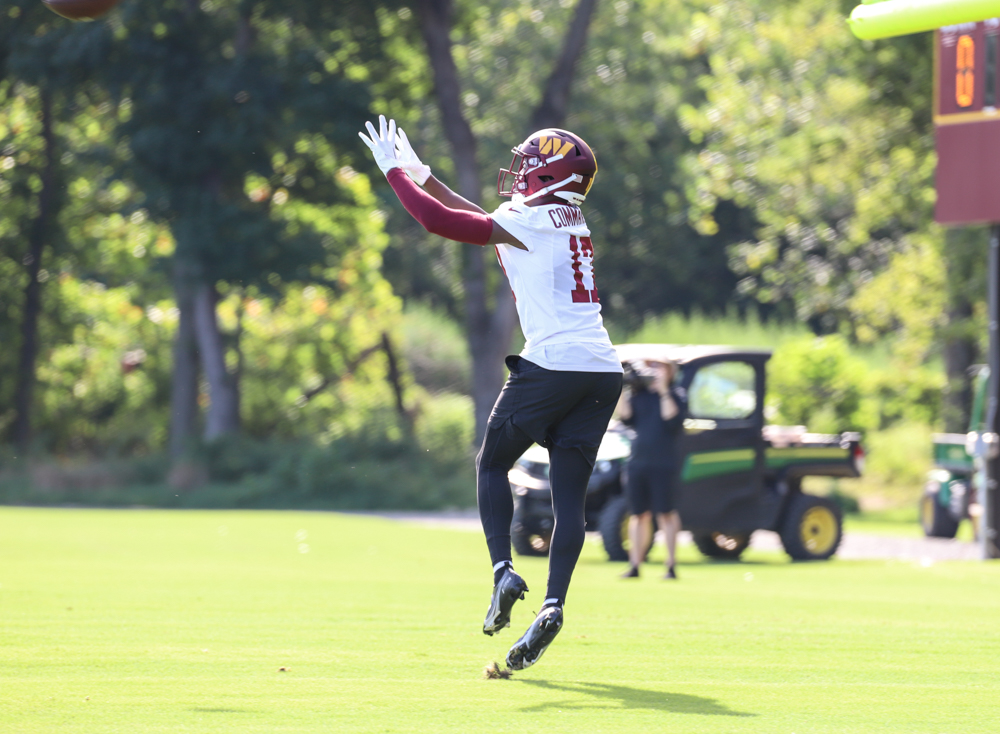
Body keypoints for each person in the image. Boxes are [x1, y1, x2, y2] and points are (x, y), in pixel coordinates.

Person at [359, 116, 623, 670]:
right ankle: (552, 604)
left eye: (529, 165)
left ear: (547, 172)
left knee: (491, 464)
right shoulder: (568, 220)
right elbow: (479, 215)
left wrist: (394, 174)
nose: (520, 173)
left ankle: (503, 571)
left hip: (554, 365)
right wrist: (423, 172)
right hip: (601, 370)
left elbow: (441, 223)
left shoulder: (532, 219)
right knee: (568, 495)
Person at [616, 359, 686, 580]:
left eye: (659, 367)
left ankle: (671, 564)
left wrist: (663, 390)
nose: (653, 371)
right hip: (638, 464)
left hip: (663, 464)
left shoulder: (677, 394)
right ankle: (635, 564)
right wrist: (619, 386)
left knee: (666, 513)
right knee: (638, 515)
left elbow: (672, 420)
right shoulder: (639, 396)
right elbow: (625, 415)